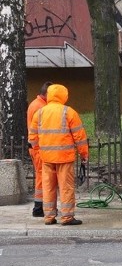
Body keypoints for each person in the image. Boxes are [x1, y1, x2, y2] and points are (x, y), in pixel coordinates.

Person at [28, 84, 89, 226]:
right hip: (64, 157)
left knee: (48, 187)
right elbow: (79, 137)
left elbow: (32, 138)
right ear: (64, 96)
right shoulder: (69, 112)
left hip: (47, 158)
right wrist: (84, 155)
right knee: (66, 187)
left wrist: (40, 150)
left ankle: (49, 217)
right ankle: (67, 217)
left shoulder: (40, 113)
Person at [27, 81, 53, 217]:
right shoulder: (39, 107)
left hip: (36, 147)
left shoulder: (37, 104)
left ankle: (40, 207)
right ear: (47, 94)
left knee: (41, 176)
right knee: (42, 177)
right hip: (38, 148)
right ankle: (38, 208)